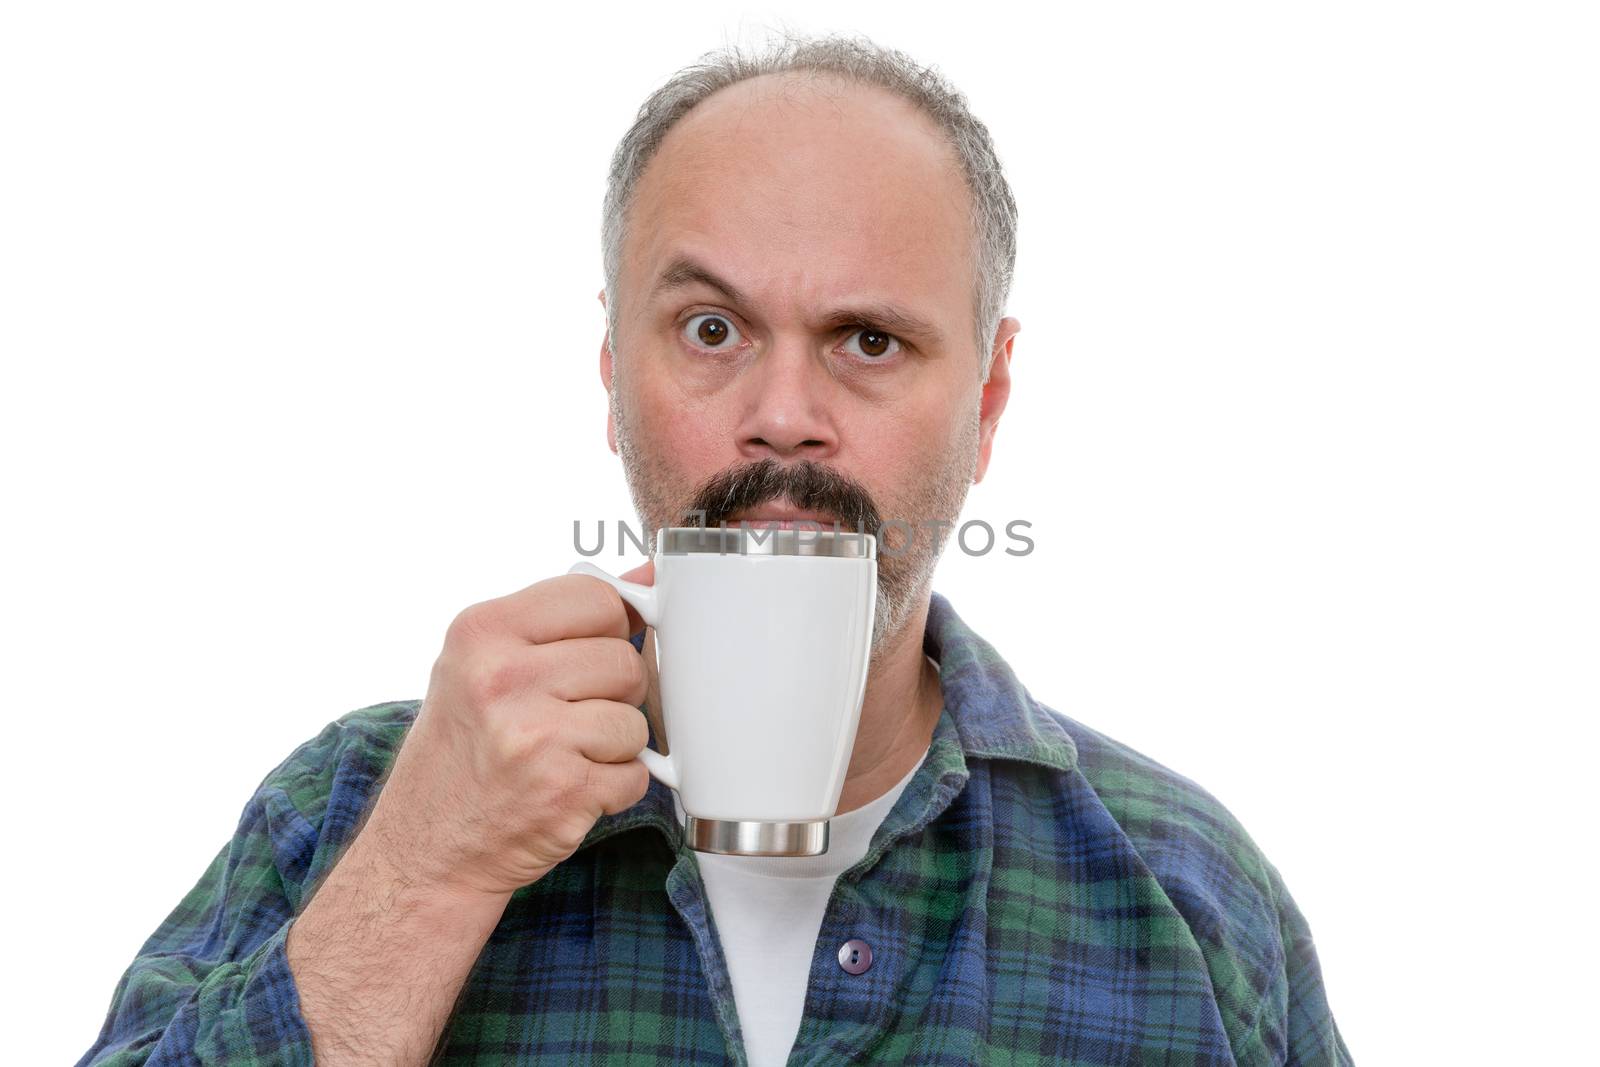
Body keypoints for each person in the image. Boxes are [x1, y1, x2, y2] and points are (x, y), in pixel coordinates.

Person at [78, 30, 1354, 1067]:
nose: (783, 414)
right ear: (609, 368)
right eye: (708, 328)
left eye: (867, 340)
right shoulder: (359, 814)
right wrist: (424, 875)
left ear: (987, 402)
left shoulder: (1188, 897)